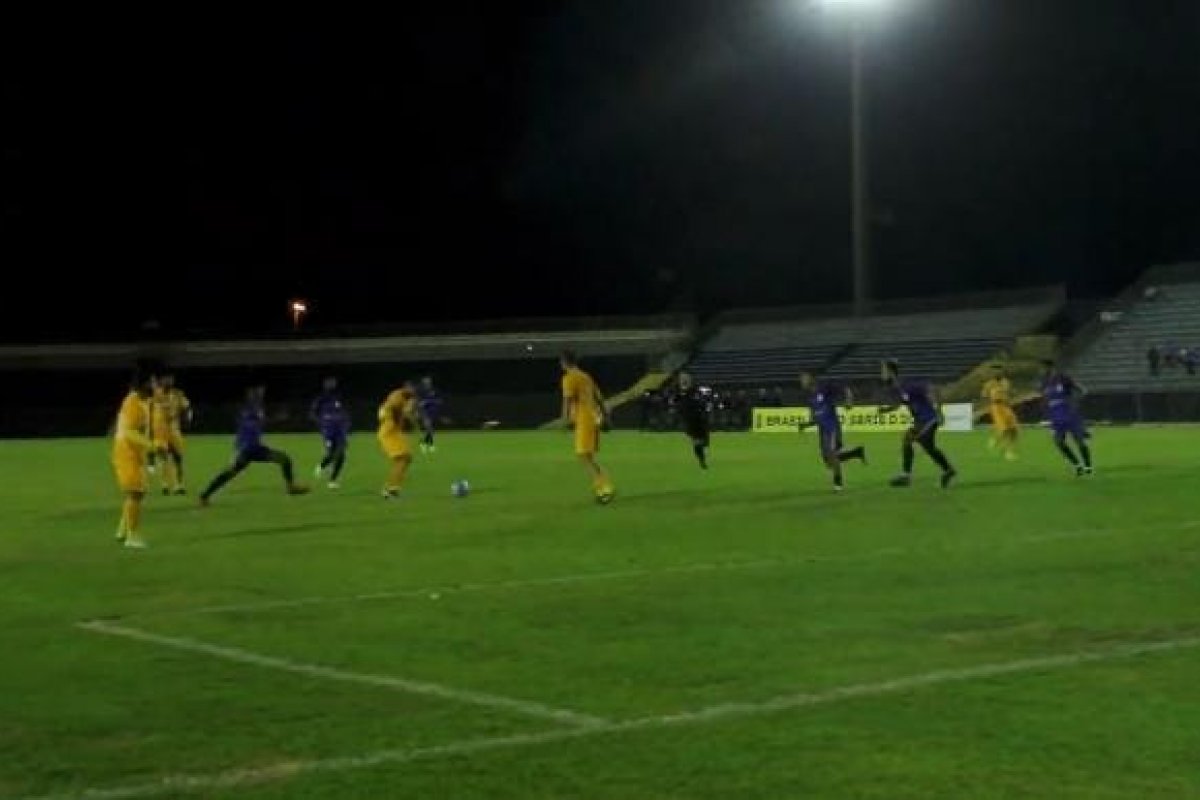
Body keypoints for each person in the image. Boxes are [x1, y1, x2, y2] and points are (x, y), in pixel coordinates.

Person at [199, 385, 310, 505]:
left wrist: (276, 419)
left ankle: (291, 487)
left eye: (261, 392)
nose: (260, 394)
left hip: (256, 448)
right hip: (245, 449)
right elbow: (248, 423)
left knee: (285, 459)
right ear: (250, 394)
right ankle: (204, 496)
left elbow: (261, 422)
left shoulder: (257, 409)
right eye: (257, 392)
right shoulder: (247, 410)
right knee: (229, 473)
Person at [880, 360, 957, 489]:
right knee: (928, 447)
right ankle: (948, 470)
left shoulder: (907, 384)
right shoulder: (898, 387)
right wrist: (887, 409)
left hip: (929, 418)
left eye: (883, 370)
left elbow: (931, 389)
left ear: (890, 371)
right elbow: (901, 403)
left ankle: (906, 476)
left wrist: (939, 411)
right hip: (920, 421)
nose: (881, 374)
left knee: (909, 439)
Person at [560, 350, 615, 503]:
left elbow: (567, 400)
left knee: (583, 456)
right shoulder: (585, 376)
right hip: (593, 418)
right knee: (588, 457)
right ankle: (606, 486)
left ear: (564, 362)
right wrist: (606, 416)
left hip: (584, 420)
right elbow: (599, 397)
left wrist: (564, 421)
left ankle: (602, 490)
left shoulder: (569, 378)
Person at [799, 372, 866, 491]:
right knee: (828, 461)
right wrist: (806, 425)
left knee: (831, 453)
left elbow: (845, 389)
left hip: (832, 428)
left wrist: (849, 400)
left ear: (811, 378)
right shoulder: (810, 398)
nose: (801, 381)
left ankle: (838, 483)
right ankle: (856, 452)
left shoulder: (824, 389)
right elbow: (815, 418)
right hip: (823, 432)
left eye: (803, 378)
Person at [112, 370, 156, 548]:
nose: (155, 386)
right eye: (152, 382)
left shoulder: (142, 402)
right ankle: (132, 535)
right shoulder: (133, 402)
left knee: (137, 492)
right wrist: (150, 444)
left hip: (134, 452)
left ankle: (122, 530)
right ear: (143, 384)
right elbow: (129, 431)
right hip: (126, 451)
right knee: (135, 493)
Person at [1040, 361, 1094, 476]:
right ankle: (1077, 465)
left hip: (1069, 414)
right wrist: (1048, 418)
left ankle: (1088, 466)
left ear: (1051, 367)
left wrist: (1074, 403)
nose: (1043, 371)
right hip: (1056, 417)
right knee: (1059, 442)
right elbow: (1046, 400)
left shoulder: (1063, 378)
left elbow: (1081, 390)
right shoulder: (1044, 382)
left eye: (1045, 368)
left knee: (1079, 441)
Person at [149, 371, 193, 495]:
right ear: (161, 381)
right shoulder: (156, 394)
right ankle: (165, 485)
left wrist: (188, 419)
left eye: (170, 379)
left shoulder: (178, 395)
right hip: (160, 432)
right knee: (163, 458)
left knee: (178, 458)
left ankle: (179, 485)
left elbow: (187, 408)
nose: (168, 382)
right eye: (166, 379)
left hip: (174, 432)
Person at [377, 383, 419, 499]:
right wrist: (411, 417)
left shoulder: (407, 398)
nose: (413, 391)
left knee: (407, 458)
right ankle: (389, 489)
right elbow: (400, 411)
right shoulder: (397, 396)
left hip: (395, 432)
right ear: (405, 387)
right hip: (388, 432)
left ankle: (393, 488)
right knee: (402, 458)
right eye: (411, 388)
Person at [310, 376, 350, 489]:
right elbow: (312, 413)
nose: (332, 385)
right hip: (328, 431)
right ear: (325, 384)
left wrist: (346, 423)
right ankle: (321, 466)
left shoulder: (338, 398)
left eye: (333, 382)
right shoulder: (320, 399)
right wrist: (322, 424)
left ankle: (333, 480)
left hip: (340, 432)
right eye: (329, 383)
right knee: (332, 454)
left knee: (341, 454)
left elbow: (343, 413)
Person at [980, 365, 1020, 461]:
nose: (997, 373)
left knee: (1014, 430)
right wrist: (987, 408)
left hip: (1006, 406)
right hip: (996, 407)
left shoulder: (1006, 382)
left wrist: (1011, 398)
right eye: (995, 371)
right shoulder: (989, 384)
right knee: (1004, 429)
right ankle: (995, 440)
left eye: (999, 371)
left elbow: (1009, 394)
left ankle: (1009, 451)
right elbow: (984, 396)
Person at [674, 372, 712, 469]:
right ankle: (702, 459)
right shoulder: (681, 393)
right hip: (693, 420)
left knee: (701, 440)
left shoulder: (694, 391)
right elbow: (678, 405)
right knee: (698, 441)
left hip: (698, 419)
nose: (684, 381)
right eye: (683, 379)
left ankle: (702, 454)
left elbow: (702, 401)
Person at [415, 376, 442, 454]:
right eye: (426, 381)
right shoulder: (421, 391)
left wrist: (431, 402)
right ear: (423, 382)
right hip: (424, 412)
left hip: (433, 412)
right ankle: (430, 446)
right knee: (429, 429)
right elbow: (419, 402)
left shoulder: (434, 390)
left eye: (429, 381)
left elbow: (439, 400)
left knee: (430, 430)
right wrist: (418, 409)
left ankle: (424, 444)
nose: (428, 382)